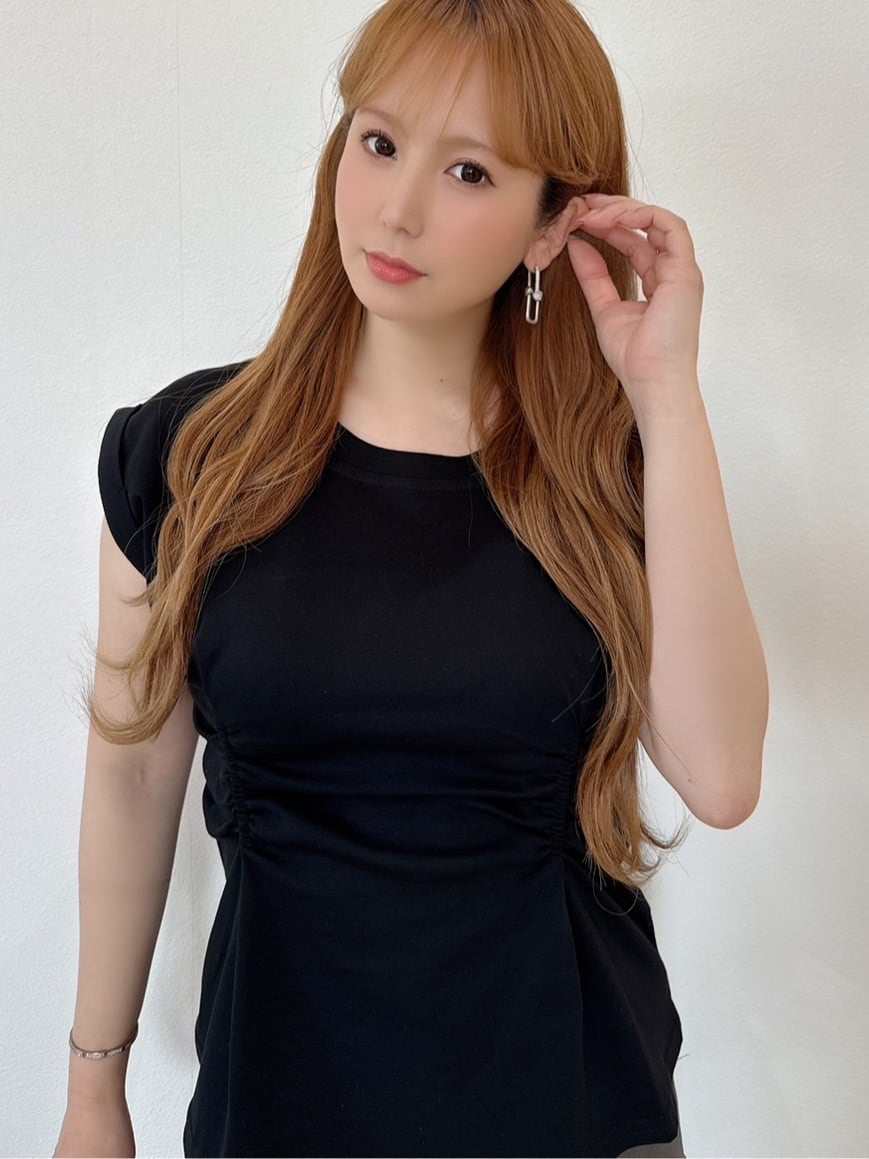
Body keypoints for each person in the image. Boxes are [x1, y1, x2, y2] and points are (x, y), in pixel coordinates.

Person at [54, 0, 769, 1156]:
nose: (396, 207)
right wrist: (95, 1088)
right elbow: (133, 775)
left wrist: (665, 396)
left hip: (568, 1108)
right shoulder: (186, 454)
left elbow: (720, 777)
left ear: (552, 223)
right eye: (379, 142)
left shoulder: (611, 473)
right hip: (276, 1104)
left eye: (469, 171)